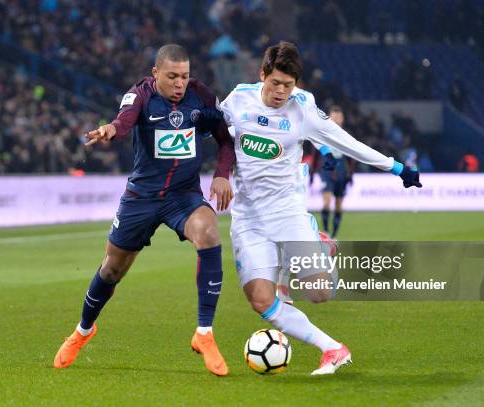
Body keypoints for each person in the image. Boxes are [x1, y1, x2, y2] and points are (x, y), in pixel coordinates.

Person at [219, 41, 421, 375]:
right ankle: (333, 349)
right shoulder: (237, 99)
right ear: (262, 76)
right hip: (247, 217)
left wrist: (396, 167)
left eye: (289, 85)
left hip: (287, 211)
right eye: (276, 84)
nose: (282, 92)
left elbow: (345, 141)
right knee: (260, 300)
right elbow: (214, 132)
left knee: (319, 293)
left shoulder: (303, 107)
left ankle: (319, 242)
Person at [53, 44, 235, 376]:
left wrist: (222, 175)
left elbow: (225, 139)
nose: (180, 83)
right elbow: (123, 122)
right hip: (142, 197)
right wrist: (111, 130)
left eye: (184, 76)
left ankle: (204, 333)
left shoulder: (202, 97)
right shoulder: (140, 95)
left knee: (208, 232)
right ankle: (83, 330)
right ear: (155, 74)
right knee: (111, 270)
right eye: (172, 77)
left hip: (183, 197)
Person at [316, 105, 354, 238]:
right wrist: (312, 173)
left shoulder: (346, 134)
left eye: (339, 117)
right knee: (326, 202)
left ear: (343, 119)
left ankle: (334, 235)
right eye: (334, 116)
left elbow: (351, 156)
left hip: (342, 171)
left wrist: (351, 174)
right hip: (327, 170)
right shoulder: (323, 132)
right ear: (329, 117)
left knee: (338, 205)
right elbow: (316, 151)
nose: (337, 119)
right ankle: (326, 231)